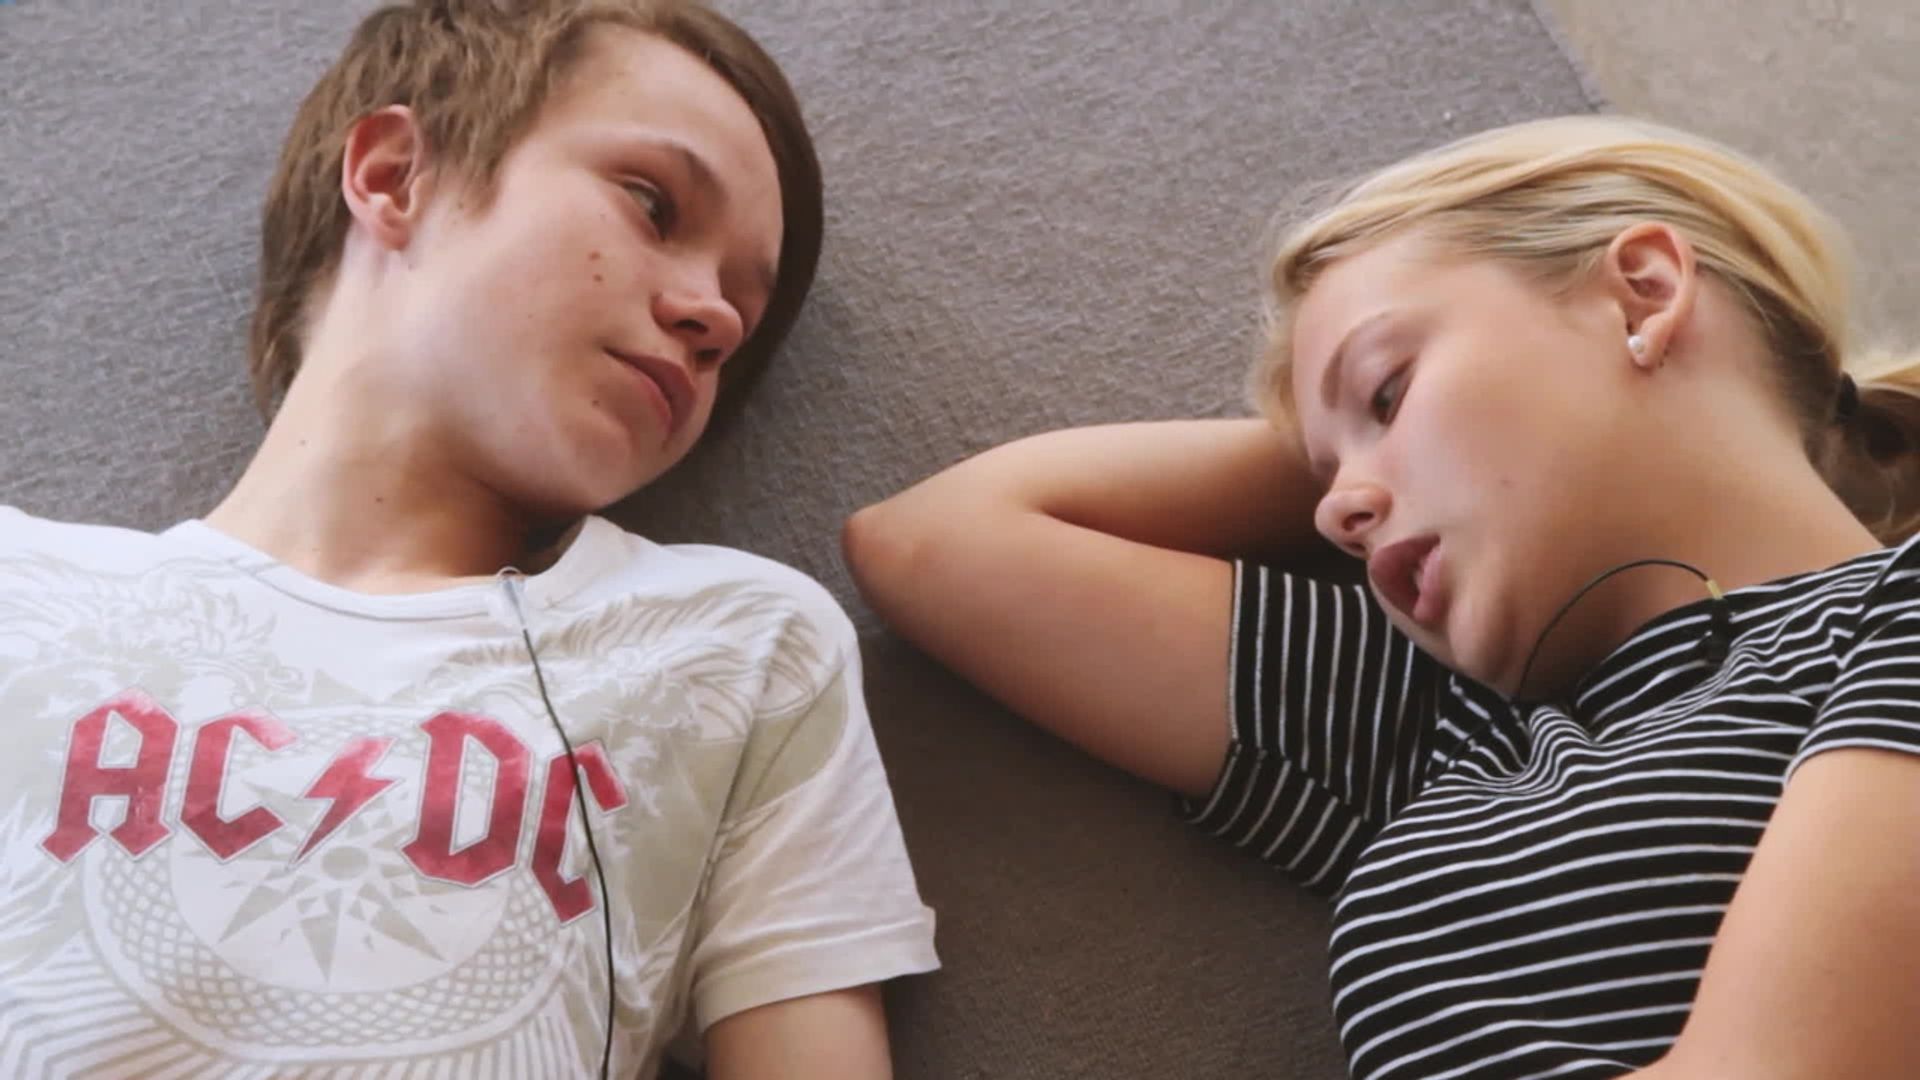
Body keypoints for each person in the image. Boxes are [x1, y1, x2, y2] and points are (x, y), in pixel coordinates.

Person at [845, 114, 1920, 1079]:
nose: (1332, 517)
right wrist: (1358, 445)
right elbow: (937, 542)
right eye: (1321, 482)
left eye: (1390, 390)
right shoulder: (1456, 743)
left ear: (1641, 290)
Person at [0, 2, 937, 1077]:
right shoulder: (23, 589)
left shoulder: (738, 647)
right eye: (652, 202)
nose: (714, 318)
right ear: (395, 176)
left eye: (741, 312)